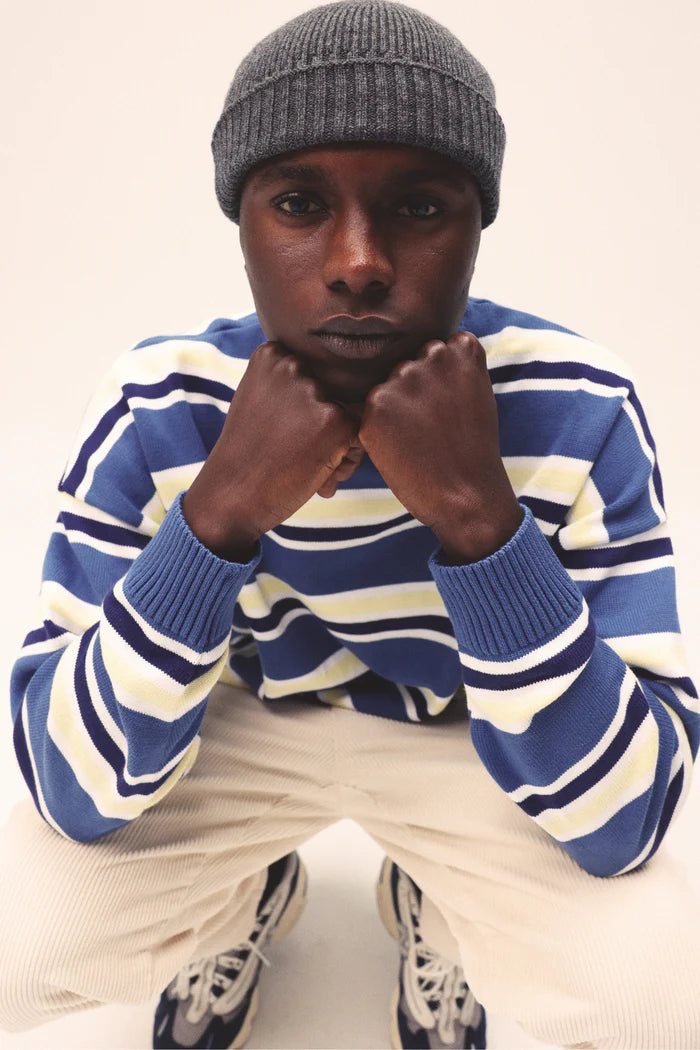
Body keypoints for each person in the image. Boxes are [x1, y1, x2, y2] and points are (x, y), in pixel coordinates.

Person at [2, 1, 700, 1048]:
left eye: (419, 207)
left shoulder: (580, 405)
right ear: (242, 225)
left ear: (478, 224)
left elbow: (632, 819)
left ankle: (444, 909)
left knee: (666, 996)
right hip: (232, 723)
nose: (360, 262)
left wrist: (480, 520)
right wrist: (219, 513)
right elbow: (65, 788)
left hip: (470, 734)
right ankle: (236, 900)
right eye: (299, 203)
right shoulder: (160, 403)